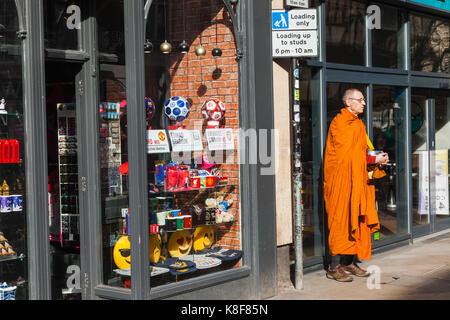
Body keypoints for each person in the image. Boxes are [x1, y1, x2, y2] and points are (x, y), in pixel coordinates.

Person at [323, 89, 389, 282]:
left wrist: (377, 159)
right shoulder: (340, 123)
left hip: (357, 180)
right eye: (360, 100)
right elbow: (346, 157)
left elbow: (362, 151)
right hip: (341, 181)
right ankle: (334, 267)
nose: (364, 103)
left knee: (358, 219)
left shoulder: (358, 124)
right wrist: (371, 158)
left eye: (364, 100)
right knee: (340, 222)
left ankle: (348, 262)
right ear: (348, 102)